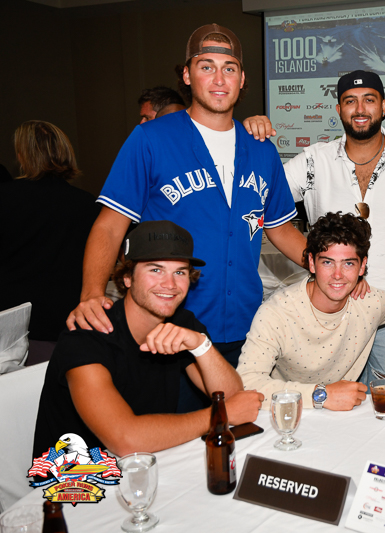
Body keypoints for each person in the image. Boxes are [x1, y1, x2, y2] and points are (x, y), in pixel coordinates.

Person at [67, 23, 307, 412]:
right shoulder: (151, 139)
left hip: (247, 329)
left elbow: (281, 228)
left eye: (229, 68)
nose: (219, 79)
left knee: (244, 428)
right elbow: (110, 225)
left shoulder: (262, 150)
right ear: (186, 74)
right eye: (206, 66)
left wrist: (328, 266)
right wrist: (91, 292)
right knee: (175, 435)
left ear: (242, 79)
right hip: (169, 331)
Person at [244, 70, 385, 395]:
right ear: (339, 109)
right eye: (350, 101)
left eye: (369, 99)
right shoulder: (314, 160)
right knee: (331, 408)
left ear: (384, 106)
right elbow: (264, 199)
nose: (360, 108)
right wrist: (248, 139)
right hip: (331, 316)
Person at [33, 221, 263, 458]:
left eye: (180, 272)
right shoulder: (86, 336)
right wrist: (218, 416)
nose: (170, 284)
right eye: (155, 270)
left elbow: (232, 397)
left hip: (149, 461)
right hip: (77, 475)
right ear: (127, 277)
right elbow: (125, 440)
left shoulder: (182, 323)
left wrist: (200, 345)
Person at [237, 212, 385, 410]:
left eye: (348, 263)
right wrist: (322, 395)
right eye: (327, 262)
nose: (338, 275)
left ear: (362, 267)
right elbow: (246, 384)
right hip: (290, 415)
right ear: (312, 263)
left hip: (342, 418)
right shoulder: (277, 313)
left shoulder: (368, 302)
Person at [0, 121, 100, 365]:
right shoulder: (88, 204)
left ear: (22, 155)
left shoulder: (6, 197)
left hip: (14, 329)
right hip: (68, 323)